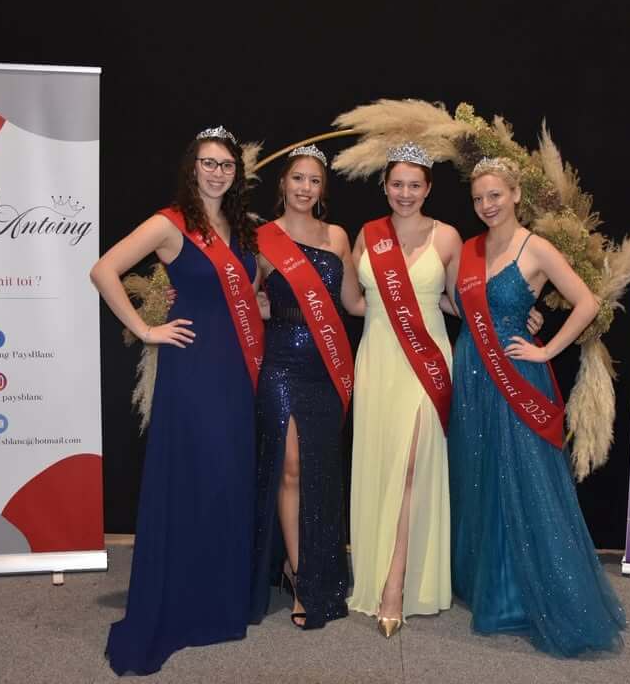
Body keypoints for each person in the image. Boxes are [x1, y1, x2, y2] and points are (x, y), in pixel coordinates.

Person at [92, 126, 264, 675]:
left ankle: (220, 602)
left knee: (227, 476)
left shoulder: (240, 227)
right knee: (190, 476)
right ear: (193, 167)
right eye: (208, 163)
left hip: (235, 369)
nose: (217, 172)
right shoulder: (169, 223)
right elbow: (103, 270)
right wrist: (146, 329)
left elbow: (249, 292)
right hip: (191, 371)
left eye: (226, 165)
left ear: (236, 173)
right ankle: (182, 601)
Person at [448, 156, 626, 656]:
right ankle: (492, 586)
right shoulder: (470, 249)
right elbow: (453, 304)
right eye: (479, 198)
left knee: (522, 480)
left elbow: (588, 302)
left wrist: (547, 348)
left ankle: (526, 595)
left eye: (495, 195)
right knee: (480, 477)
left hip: (515, 375)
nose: (487, 205)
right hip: (472, 373)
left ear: (516, 195)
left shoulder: (537, 247)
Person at [346, 142, 462, 637]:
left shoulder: (449, 237)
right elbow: (353, 301)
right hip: (377, 358)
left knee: (414, 465)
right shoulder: (368, 235)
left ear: (429, 188)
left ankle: (394, 585)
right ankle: (379, 572)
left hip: (426, 360)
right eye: (397, 184)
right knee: (382, 464)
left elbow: (460, 303)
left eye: (416, 185)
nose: (406, 193)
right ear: (385, 186)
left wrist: (516, 316)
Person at [250, 145, 359, 629]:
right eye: (297, 178)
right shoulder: (261, 238)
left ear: (322, 189)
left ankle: (320, 563)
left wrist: (433, 301)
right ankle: (299, 571)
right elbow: (244, 297)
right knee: (290, 467)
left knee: (321, 472)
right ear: (284, 184)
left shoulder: (337, 236)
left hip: (327, 367)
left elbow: (355, 301)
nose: (304, 188)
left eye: (314, 181)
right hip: (281, 365)